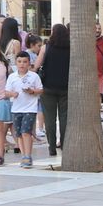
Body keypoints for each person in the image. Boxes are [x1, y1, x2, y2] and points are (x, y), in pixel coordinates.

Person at [7, 52, 43, 169]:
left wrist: (32, 91)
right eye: (19, 62)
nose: (22, 64)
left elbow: (40, 90)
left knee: (26, 132)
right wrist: (12, 94)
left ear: (29, 63)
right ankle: (23, 155)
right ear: (16, 63)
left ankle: (28, 155)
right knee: (18, 133)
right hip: (16, 109)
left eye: (25, 62)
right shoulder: (12, 77)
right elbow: (6, 92)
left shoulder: (34, 76)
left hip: (30, 108)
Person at [39, 23, 70, 156]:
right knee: (64, 117)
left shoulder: (46, 47)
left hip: (48, 87)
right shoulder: (71, 48)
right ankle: (63, 143)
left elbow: (37, 65)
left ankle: (51, 146)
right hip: (66, 87)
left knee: (49, 118)